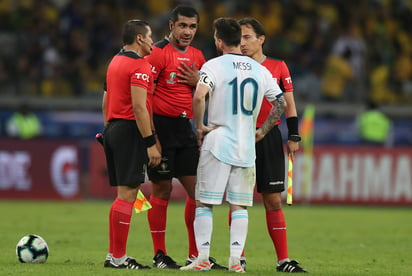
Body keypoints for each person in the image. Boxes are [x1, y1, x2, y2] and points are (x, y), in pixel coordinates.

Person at [180, 17, 286, 272]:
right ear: (239, 40)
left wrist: (199, 126)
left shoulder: (213, 66)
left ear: (218, 41)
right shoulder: (261, 70)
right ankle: (236, 261)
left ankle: (203, 258)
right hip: (246, 145)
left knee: (204, 203)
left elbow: (199, 95)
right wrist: (261, 130)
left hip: (218, 141)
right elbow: (280, 103)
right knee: (239, 205)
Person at [145, 5, 225, 270]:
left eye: (192, 26)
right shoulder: (156, 54)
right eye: (182, 26)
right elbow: (144, 95)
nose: (187, 31)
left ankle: (196, 254)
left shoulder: (198, 57)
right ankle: (159, 254)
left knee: (198, 192)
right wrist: (151, 138)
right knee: (162, 190)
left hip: (186, 130)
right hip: (162, 129)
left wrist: (196, 82)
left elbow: (209, 94)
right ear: (171, 26)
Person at [238, 18, 308, 273]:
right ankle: (239, 258)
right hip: (239, 136)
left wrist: (294, 135)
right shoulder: (233, 65)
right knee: (239, 200)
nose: (242, 42)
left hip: (267, 137)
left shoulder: (278, 66)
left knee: (273, 201)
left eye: (247, 37)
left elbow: (288, 103)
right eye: (239, 38)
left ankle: (283, 260)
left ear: (261, 39)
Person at [101, 19, 161, 269]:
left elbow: (105, 100)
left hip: (114, 128)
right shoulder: (140, 66)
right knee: (128, 194)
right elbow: (139, 107)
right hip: (129, 130)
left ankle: (114, 255)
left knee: (123, 194)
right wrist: (150, 142)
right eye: (149, 37)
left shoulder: (115, 62)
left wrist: (108, 130)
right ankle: (117, 258)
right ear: (139, 39)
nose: (152, 41)